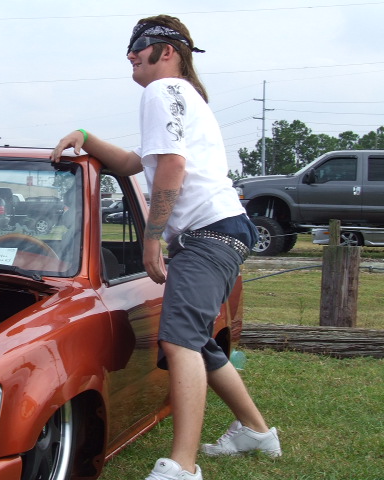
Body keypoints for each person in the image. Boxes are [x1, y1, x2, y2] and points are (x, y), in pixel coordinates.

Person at [50, 14, 281, 480]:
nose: (130, 54)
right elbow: (134, 162)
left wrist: (151, 238)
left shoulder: (162, 91)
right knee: (195, 340)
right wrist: (88, 138)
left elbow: (172, 166)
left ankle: (182, 466)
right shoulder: (182, 96)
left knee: (179, 340)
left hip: (208, 234)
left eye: (139, 45)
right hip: (221, 230)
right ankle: (256, 432)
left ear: (168, 50)